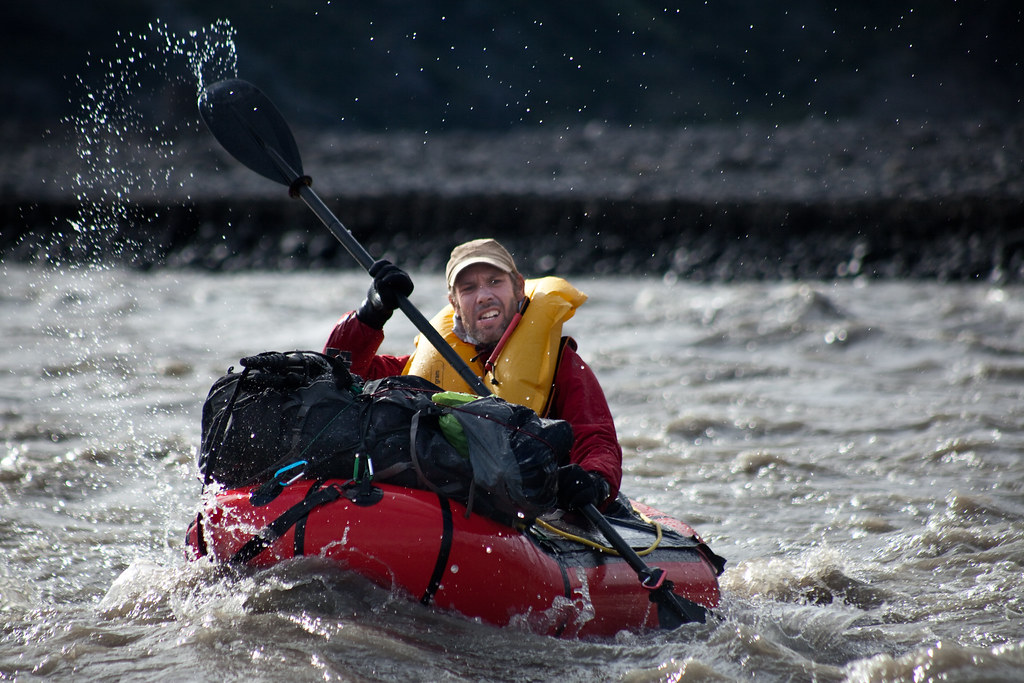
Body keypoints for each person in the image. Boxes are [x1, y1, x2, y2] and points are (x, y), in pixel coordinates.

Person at [324, 238, 622, 511]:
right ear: (453, 302)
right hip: (447, 504)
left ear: (519, 287)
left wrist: (595, 481)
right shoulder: (430, 363)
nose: (484, 296)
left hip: (532, 507)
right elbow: (339, 373)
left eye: (495, 281)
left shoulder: (561, 363)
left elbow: (597, 440)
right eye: (468, 288)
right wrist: (370, 313)